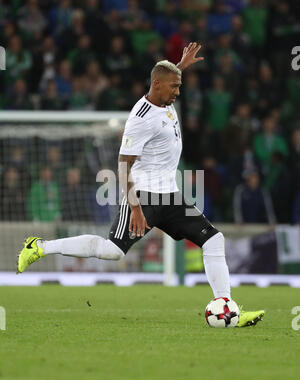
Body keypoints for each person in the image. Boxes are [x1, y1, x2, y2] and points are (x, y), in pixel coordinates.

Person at [17, 43, 264, 327]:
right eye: (174, 87)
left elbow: (165, 76)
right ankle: (39, 247)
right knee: (113, 251)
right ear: (158, 85)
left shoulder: (164, 96)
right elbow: (123, 165)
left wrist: (179, 67)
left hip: (169, 196)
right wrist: (135, 208)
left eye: (178, 86)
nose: (178, 92)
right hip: (144, 196)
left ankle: (227, 307)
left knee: (213, 239)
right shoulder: (141, 119)